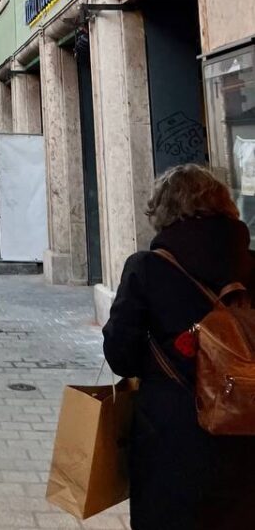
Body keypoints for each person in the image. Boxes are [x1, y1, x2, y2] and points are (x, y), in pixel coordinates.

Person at [103, 164, 255, 530]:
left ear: (164, 210)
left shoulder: (147, 268)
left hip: (172, 436)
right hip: (248, 429)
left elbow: (120, 356)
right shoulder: (251, 265)